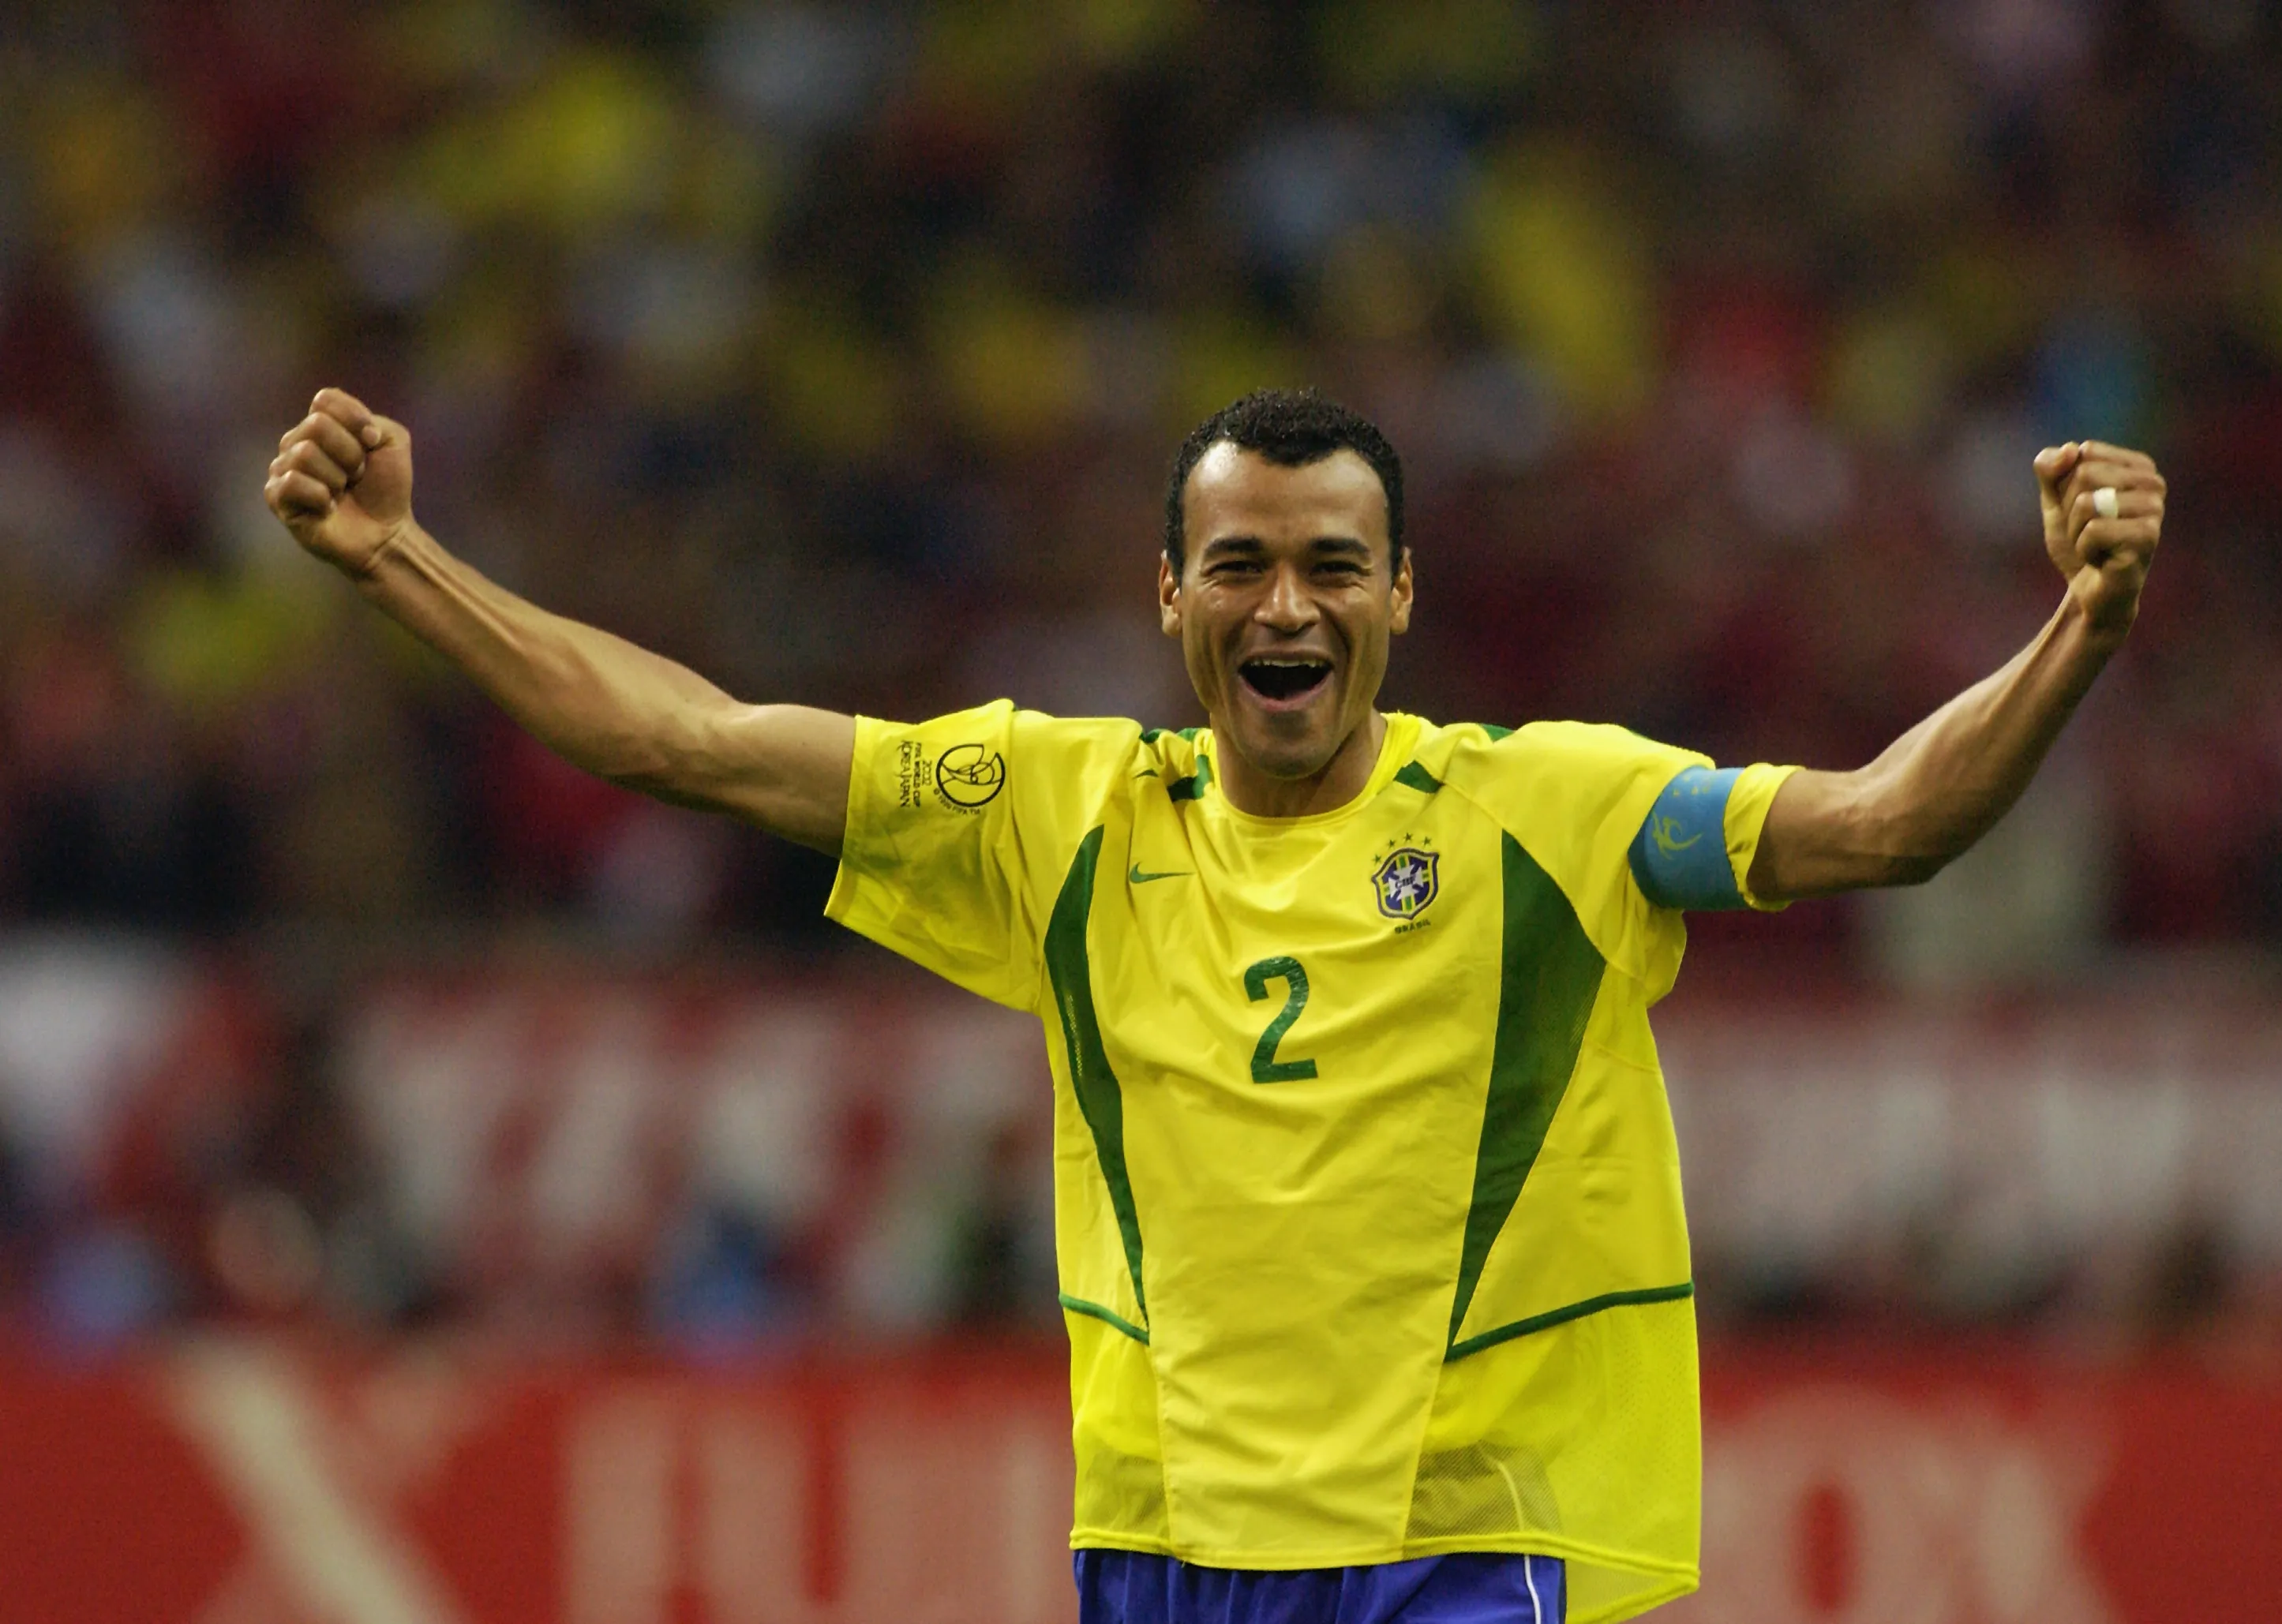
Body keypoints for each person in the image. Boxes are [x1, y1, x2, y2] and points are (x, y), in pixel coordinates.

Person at [265, 385, 2164, 1624]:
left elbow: (1883, 825)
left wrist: (2075, 627)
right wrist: (401, 563)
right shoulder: (1053, 807)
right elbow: (686, 742)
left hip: (1452, 1535)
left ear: (1400, 593)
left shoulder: (1547, 811)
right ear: (1168, 594)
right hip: (1165, 1542)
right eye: (1241, 563)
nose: (1288, 604)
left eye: (1333, 565)